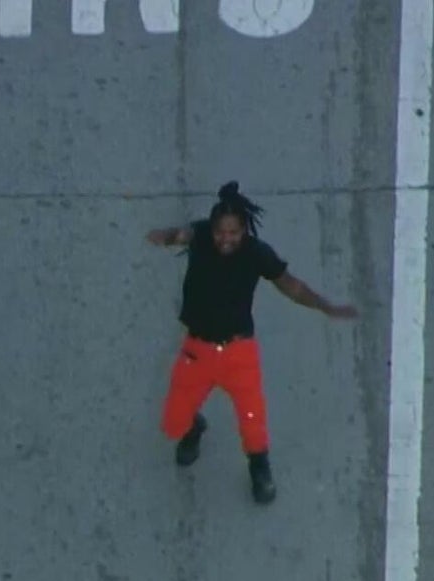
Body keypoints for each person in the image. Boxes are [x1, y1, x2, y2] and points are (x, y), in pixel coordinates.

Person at [145, 181, 358, 504]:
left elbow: (292, 287)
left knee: (252, 421)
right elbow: (181, 235)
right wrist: (166, 236)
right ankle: (192, 427)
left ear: (244, 230)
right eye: (220, 231)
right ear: (212, 228)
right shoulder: (200, 235)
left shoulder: (257, 253)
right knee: (173, 423)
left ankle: (259, 467)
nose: (225, 238)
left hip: (238, 352)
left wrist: (325, 306)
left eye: (233, 232)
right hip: (197, 349)